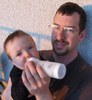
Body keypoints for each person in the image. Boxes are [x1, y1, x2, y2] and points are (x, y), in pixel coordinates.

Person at [3, 2, 92, 100]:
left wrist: (42, 94)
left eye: (69, 30)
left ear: (81, 36)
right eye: (56, 27)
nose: (59, 36)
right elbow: (6, 95)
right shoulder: (36, 56)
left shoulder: (86, 78)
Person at [3, 30, 52, 100]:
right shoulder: (16, 72)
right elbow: (16, 96)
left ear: (35, 46)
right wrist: (26, 77)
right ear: (13, 62)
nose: (27, 55)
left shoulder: (43, 61)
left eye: (30, 47)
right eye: (19, 54)